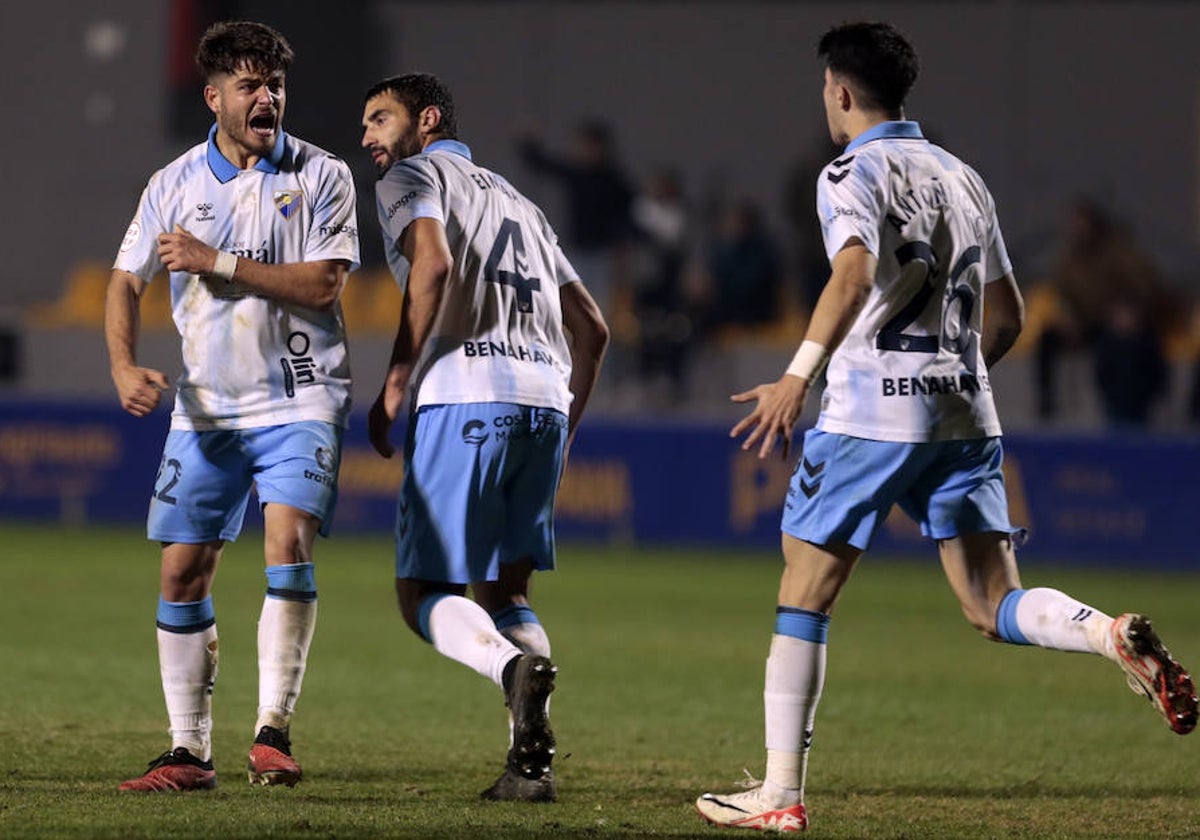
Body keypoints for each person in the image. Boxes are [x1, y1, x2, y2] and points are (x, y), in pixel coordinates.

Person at [695, 21, 1197, 832]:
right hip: (966, 413)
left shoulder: (847, 172)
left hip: (867, 419)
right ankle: (1109, 634)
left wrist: (798, 375)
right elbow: (1010, 316)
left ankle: (780, 795)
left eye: (826, 88)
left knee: (805, 592)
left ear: (842, 92)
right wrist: (949, 382)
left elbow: (854, 271)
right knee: (992, 600)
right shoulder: (964, 177)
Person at [106, 20, 360, 792]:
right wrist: (122, 366)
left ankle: (272, 734)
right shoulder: (173, 183)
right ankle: (188, 753)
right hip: (207, 408)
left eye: (275, 85)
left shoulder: (321, 175)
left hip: (299, 398)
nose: (267, 98)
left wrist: (217, 262)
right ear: (213, 96)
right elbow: (125, 279)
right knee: (182, 572)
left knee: (287, 544)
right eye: (249, 85)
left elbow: (324, 285)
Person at [360, 73, 609, 802]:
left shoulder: (413, 174)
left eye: (380, 118)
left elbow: (432, 264)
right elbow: (593, 330)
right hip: (544, 399)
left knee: (423, 592)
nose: (369, 135)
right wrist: (563, 435)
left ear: (426, 120)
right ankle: (531, 772)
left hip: (464, 395)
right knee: (506, 588)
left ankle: (508, 670)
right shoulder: (522, 203)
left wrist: (397, 381)